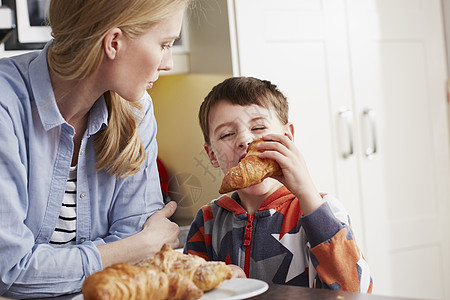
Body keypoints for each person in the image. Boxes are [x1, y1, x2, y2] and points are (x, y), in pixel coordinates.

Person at [0, 0, 193, 297]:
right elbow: (10, 271)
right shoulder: (6, 105)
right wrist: (136, 246)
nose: (167, 63)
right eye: (165, 44)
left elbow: (141, 261)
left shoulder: (136, 109)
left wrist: (134, 249)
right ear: (113, 42)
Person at [184, 76, 373, 292]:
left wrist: (307, 193)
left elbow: (355, 289)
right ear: (212, 155)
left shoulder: (322, 209)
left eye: (258, 127)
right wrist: (218, 283)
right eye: (227, 134)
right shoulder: (207, 222)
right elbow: (187, 290)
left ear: (287, 137)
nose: (245, 140)